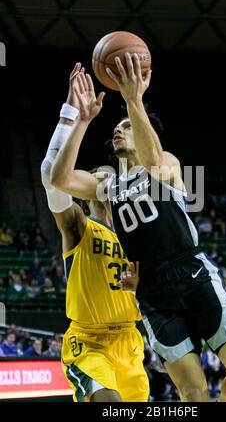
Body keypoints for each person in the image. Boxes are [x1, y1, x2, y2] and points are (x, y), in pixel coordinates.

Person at [50, 55, 226, 402]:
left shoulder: (167, 163)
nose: (118, 129)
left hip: (192, 273)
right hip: (152, 292)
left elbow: (152, 161)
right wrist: (82, 120)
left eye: (126, 125)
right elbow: (59, 179)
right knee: (193, 392)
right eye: (116, 126)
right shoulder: (108, 184)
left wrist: (133, 100)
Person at [41, 63, 149, 402]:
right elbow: (51, 174)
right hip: (88, 342)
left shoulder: (135, 232)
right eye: (95, 175)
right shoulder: (78, 229)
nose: (102, 176)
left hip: (131, 342)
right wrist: (71, 114)